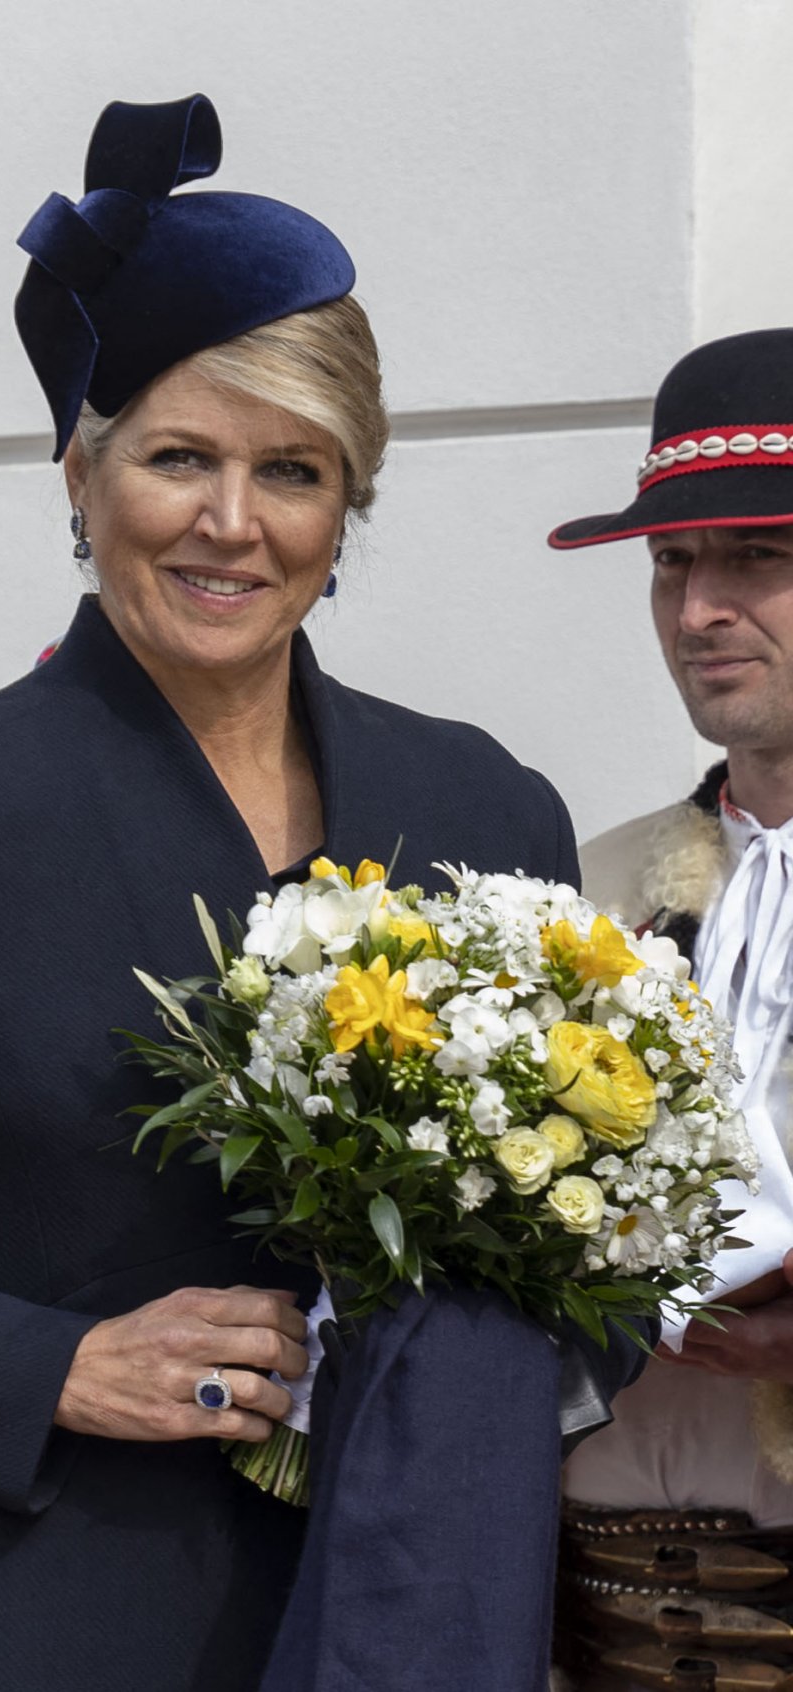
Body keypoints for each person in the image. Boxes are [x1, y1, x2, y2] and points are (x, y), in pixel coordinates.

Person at [0, 93, 604, 1691]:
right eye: (178, 457)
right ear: (81, 474)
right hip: (29, 1626)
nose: (233, 523)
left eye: (292, 470)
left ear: (347, 505)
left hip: (413, 1620)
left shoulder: (485, 805)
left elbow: (584, 1260)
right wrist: (55, 1366)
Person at [548, 327, 793, 1690]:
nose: (699, 608)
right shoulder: (588, 892)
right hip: (606, 1614)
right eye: (671, 562)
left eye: (757, 554)